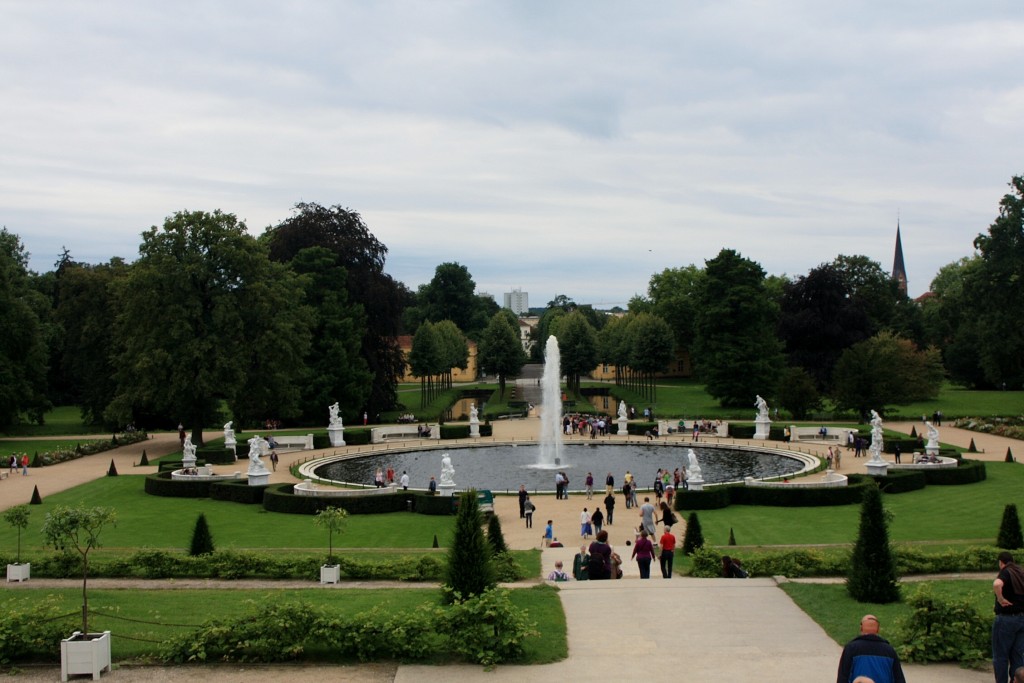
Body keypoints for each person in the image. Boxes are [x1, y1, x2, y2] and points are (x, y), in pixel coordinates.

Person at [836, 614, 906, 683]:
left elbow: (843, 677)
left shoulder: (851, 648)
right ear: (878, 629)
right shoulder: (889, 650)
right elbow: (898, 678)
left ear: (861, 628)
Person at [993, 551, 1024, 683]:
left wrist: (1000, 599)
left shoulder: (1006, 572)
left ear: (1001, 562)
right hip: (1022, 619)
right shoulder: (1020, 572)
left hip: (1006, 619)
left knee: (1001, 656)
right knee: (1017, 656)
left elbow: (997, 584)